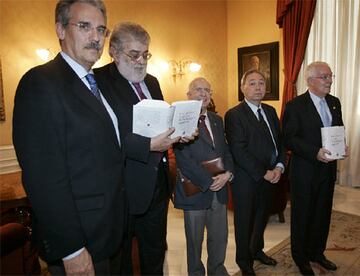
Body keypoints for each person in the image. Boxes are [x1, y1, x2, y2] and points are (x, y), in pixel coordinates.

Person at [12, 0, 124, 275]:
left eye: (101, 29)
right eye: (84, 26)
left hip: (106, 232)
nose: (96, 37)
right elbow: (45, 178)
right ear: (60, 30)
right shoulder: (40, 83)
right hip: (78, 242)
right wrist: (71, 249)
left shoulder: (97, 84)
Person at [94, 22, 195, 275]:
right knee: (122, 260)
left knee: (155, 252)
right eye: (134, 54)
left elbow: (161, 121)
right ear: (114, 52)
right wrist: (148, 145)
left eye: (146, 54)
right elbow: (102, 137)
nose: (141, 61)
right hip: (123, 186)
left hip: (158, 184)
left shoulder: (152, 81)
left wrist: (177, 135)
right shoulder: (98, 82)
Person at [282, 61, 348, 275]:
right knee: (302, 216)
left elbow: (338, 129)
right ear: (310, 81)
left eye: (330, 76)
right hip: (305, 170)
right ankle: (300, 257)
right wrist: (314, 152)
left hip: (327, 170)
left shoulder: (335, 102)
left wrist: (342, 145)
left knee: (322, 213)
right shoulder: (295, 106)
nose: (329, 81)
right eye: (324, 77)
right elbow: (289, 138)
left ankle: (317, 253)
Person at [225, 69, 285, 276]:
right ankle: (244, 260)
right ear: (242, 88)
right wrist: (264, 173)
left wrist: (279, 166)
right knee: (245, 221)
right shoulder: (234, 115)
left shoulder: (270, 110)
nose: (258, 87)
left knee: (262, 217)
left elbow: (279, 142)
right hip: (247, 179)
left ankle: (257, 250)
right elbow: (239, 151)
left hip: (270, 175)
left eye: (261, 83)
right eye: (252, 83)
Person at [173, 77, 233, 276]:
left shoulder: (217, 119)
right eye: (198, 89)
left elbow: (226, 151)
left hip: (220, 188)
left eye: (207, 90)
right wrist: (209, 181)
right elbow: (183, 159)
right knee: (194, 242)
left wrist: (228, 174)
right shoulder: (180, 119)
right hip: (196, 190)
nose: (203, 93)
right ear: (188, 94)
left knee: (219, 238)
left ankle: (217, 271)